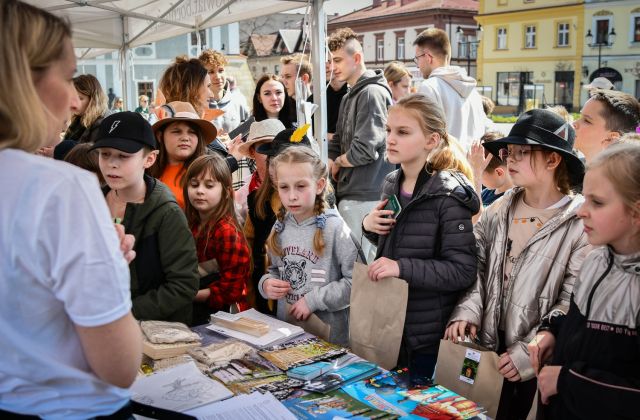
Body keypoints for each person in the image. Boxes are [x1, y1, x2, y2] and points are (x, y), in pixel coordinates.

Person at [0, 2, 140, 417]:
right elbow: (119, 364)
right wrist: (113, 270)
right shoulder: (59, 188)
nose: (74, 101)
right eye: (66, 77)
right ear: (25, 81)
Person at [444, 109, 590, 420]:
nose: (509, 159)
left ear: (553, 160)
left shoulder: (578, 222)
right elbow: (476, 260)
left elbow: (571, 298)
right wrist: (467, 309)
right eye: (509, 152)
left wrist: (529, 351)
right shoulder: (501, 206)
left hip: (533, 364)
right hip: (486, 345)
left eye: (522, 152)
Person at [362, 94, 479, 383]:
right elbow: (401, 242)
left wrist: (401, 267)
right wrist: (369, 226)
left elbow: (462, 270)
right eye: (389, 130)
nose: (390, 139)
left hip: (425, 335)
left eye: (402, 132)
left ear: (431, 140)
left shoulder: (448, 195)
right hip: (390, 321)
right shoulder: (392, 182)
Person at [528, 142, 640, 420]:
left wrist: (568, 382)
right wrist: (553, 331)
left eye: (598, 202)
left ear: (636, 213)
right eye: (585, 198)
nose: (581, 211)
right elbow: (584, 326)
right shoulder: (596, 259)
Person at [94, 111, 199, 325]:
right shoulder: (91, 202)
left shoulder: (166, 213)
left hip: (155, 333)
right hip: (98, 322)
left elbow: (183, 285)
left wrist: (124, 313)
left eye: (123, 156)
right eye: (105, 154)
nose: (112, 163)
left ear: (149, 159)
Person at [259, 145, 358, 346]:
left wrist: (313, 301)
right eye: (284, 187)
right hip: (289, 338)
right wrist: (266, 284)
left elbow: (355, 284)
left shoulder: (335, 228)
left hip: (330, 343)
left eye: (301, 186)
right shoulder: (279, 227)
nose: (292, 196)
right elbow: (274, 270)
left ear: (319, 185)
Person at [327, 27, 394, 262]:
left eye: (337, 60)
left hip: (368, 196)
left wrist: (337, 161)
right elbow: (338, 140)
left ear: (356, 58)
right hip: (353, 194)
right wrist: (330, 159)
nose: (333, 66)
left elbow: (365, 149)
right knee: (352, 269)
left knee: (362, 271)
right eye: (331, 60)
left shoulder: (371, 93)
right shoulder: (349, 96)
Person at [245, 126, 314, 315]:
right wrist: (259, 289)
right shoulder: (257, 202)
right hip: (269, 301)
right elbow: (250, 253)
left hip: (313, 306)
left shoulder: (324, 210)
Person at [184, 154, 250, 326]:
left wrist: (187, 295)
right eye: (194, 184)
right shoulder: (190, 223)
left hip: (221, 317)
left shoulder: (227, 232)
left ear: (227, 192)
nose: (200, 191)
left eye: (209, 185)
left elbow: (231, 291)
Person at [413, 28, 486, 151]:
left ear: (428, 57)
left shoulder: (429, 87)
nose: (417, 64)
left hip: (441, 166)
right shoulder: (473, 90)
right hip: (469, 167)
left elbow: (423, 137)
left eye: (417, 58)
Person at [199, 49, 252, 190]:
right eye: (210, 72)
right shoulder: (199, 107)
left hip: (238, 172)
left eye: (221, 70)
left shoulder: (239, 102)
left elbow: (249, 135)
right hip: (210, 172)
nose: (217, 76)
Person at [149, 101, 218, 209]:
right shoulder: (146, 170)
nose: (185, 138)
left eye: (192, 132)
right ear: (159, 136)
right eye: (177, 131)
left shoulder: (211, 172)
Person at [236, 119, 286, 224]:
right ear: (252, 151)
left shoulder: (300, 186)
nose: (272, 152)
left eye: (278, 146)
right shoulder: (242, 197)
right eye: (265, 147)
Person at [573, 88, 640, 163]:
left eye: (587, 120)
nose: (574, 123)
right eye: (580, 116)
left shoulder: (624, 174)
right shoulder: (570, 170)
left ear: (612, 138)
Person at [467, 131, 514, 223]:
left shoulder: (511, 200)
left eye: (480, 174)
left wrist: (477, 176)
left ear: (499, 173)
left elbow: (479, 224)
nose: (474, 177)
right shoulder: (486, 193)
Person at [62, 73, 108, 143]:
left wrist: (57, 151)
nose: (73, 103)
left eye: (80, 98)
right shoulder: (79, 119)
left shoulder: (101, 123)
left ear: (93, 100)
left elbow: (91, 152)